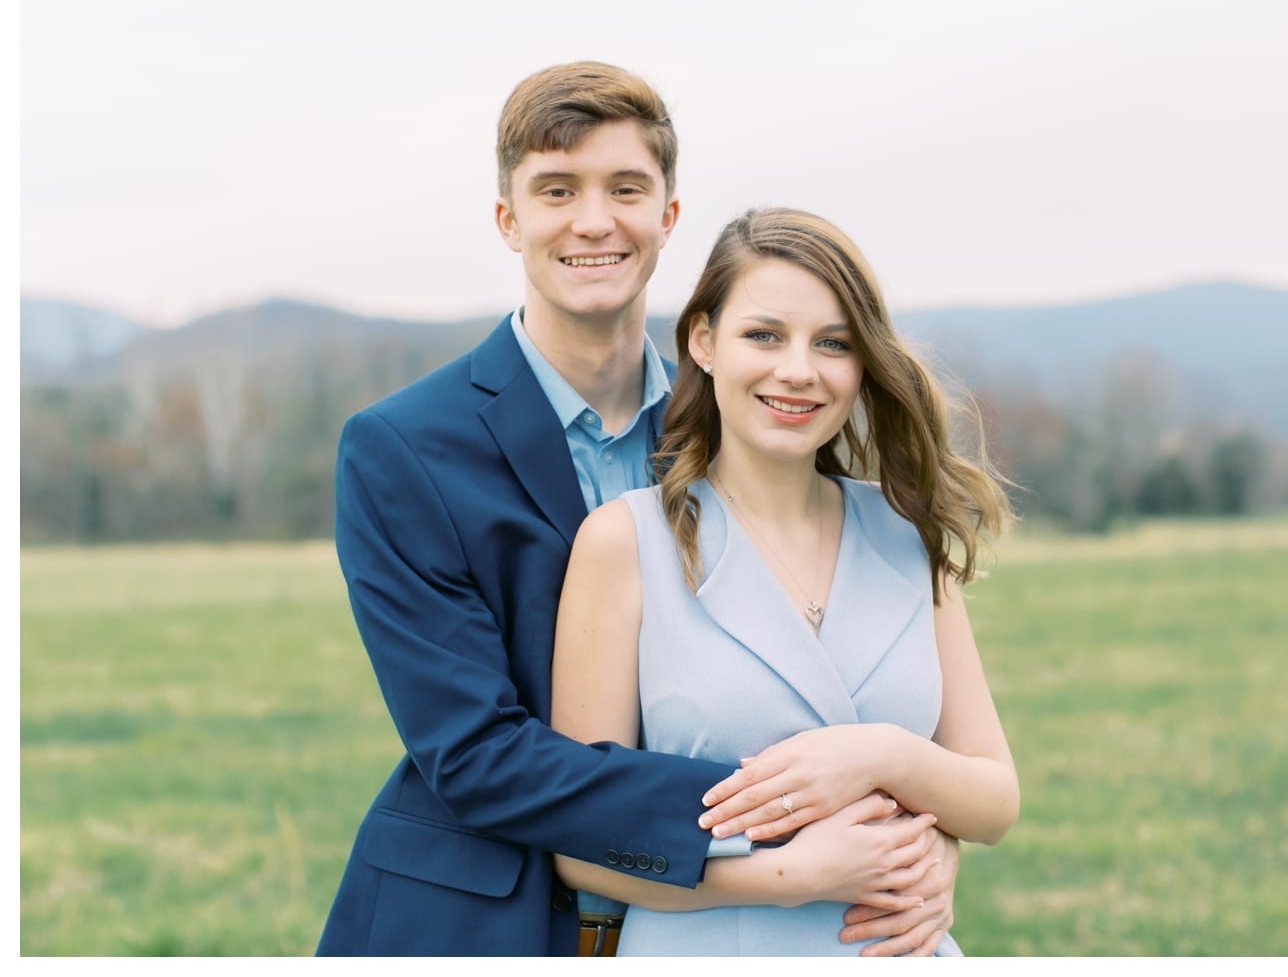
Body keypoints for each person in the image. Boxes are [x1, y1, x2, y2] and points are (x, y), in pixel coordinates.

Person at [316, 63, 960, 956]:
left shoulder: (752, 415)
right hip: (478, 918)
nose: (594, 220)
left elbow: (855, 669)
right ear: (509, 220)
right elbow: (472, 755)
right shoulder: (402, 449)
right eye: (556, 189)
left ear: (668, 216)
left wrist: (918, 841)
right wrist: (786, 821)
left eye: (626, 188)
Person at [550, 207, 1020, 956]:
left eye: (833, 343)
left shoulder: (905, 536)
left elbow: (994, 799)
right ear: (703, 342)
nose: (798, 370)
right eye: (764, 335)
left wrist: (883, 757)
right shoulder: (625, 542)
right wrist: (794, 874)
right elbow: (579, 846)